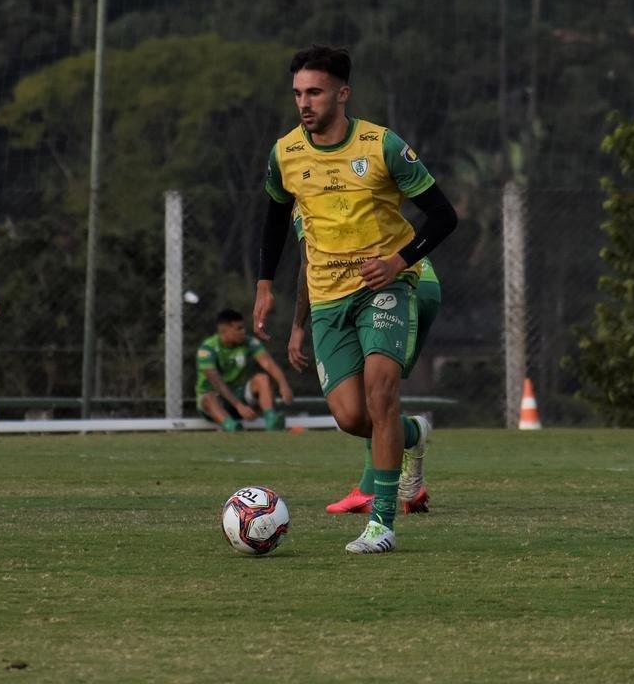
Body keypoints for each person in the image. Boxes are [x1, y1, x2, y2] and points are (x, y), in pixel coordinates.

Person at [253, 45, 457, 553]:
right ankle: (413, 434)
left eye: (315, 92)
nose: (305, 102)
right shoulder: (285, 153)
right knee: (351, 417)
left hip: (383, 289)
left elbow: (444, 215)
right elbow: (276, 218)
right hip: (327, 301)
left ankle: (381, 524)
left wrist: (399, 261)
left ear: (342, 94)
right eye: (299, 92)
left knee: (381, 393)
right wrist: (264, 286)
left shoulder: (382, 146)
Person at [288, 209, 439, 514]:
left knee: (375, 396)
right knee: (372, 397)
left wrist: (297, 325)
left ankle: (374, 487)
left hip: (392, 286)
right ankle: (402, 462)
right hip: (413, 281)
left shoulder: (306, 197)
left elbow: (308, 264)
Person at [196, 308, 293, 431]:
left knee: (262, 379)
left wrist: (283, 385)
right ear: (224, 330)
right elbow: (217, 382)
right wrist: (238, 406)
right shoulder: (207, 348)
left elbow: (268, 363)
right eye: (239, 328)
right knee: (208, 397)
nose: (243, 332)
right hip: (218, 402)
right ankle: (231, 426)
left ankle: (272, 420)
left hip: (239, 396)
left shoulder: (248, 343)